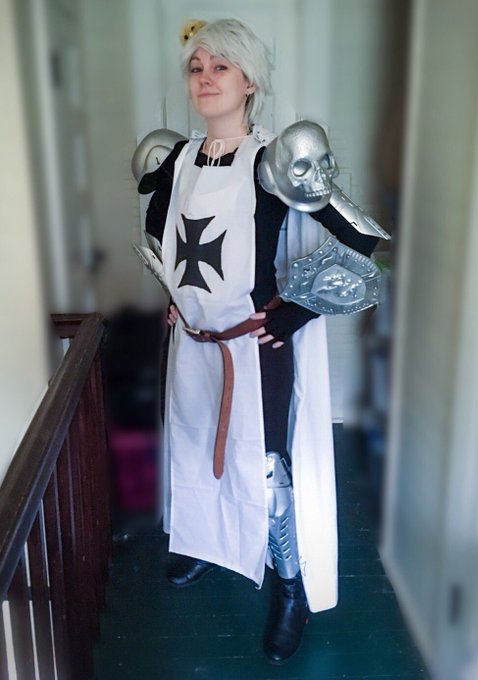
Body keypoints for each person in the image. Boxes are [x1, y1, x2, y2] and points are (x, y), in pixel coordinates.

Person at [134, 18, 378, 663]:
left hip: (253, 345)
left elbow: (362, 240)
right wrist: (175, 295)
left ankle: (290, 586)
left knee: (266, 466)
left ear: (249, 82)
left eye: (221, 66)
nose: (205, 78)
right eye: (196, 67)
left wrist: (297, 310)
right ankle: (208, 545)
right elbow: (161, 238)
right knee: (195, 446)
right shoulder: (173, 161)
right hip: (194, 344)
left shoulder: (274, 162)